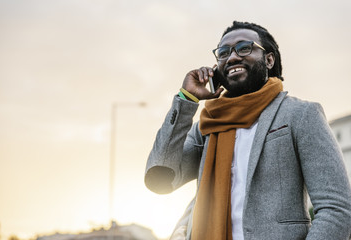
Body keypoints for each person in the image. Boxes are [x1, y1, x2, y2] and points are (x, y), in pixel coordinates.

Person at [144, 21, 351, 240]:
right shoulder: (207, 126)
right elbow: (160, 178)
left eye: (244, 48)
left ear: (269, 60)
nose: (232, 57)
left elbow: (336, 208)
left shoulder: (300, 115)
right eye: (223, 53)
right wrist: (186, 100)